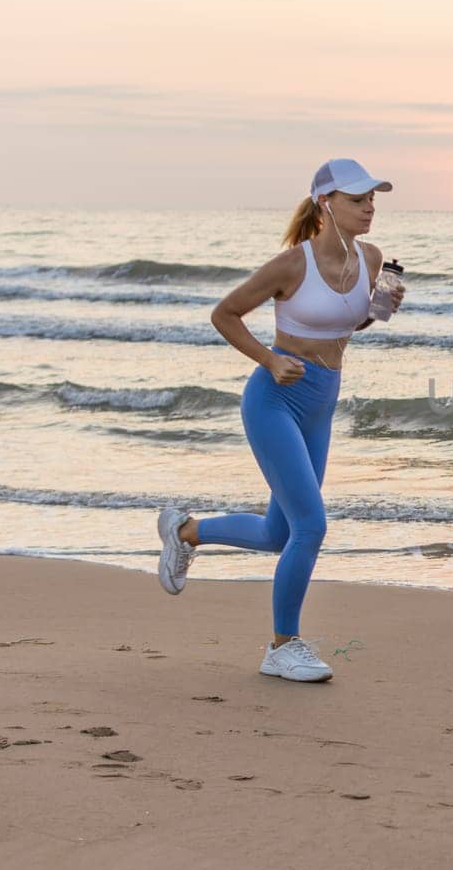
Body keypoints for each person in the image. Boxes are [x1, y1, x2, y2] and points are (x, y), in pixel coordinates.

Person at [153, 158, 404, 683]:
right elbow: (225, 313)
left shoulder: (373, 258)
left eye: (373, 199)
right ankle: (282, 645)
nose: (369, 208)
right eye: (358, 200)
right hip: (275, 400)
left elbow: (346, 323)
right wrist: (268, 359)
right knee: (311, 526)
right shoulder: (292, 264)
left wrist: (380, 308)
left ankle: (186, 530)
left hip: (321, 403)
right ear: (325, 204)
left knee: (277, 532)